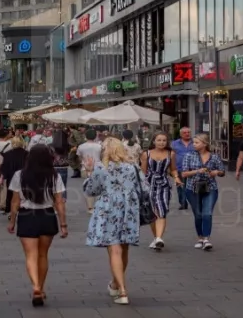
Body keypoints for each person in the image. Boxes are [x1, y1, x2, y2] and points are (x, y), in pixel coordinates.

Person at [83, 138, 149, 305]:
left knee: (114, 250)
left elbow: (91, 191)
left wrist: (90, 172)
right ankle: (115, 284)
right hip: (129, 209)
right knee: (124, 248)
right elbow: (145, 188)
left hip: (109, 209)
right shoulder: (133, 166)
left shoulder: (101, 167)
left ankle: (122, 290)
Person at [7, 144, 68, 307]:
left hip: (27, 216)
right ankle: (41, 287)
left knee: (30, 255)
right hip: (47, 216)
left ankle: (35, 287)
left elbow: (15, 202)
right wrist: (63, 224)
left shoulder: (19, 175)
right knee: (43, 255)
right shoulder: (54, 176)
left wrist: (12, 221)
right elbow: (59, 202)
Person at [181, 133, 225, 251]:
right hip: (192, 188)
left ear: (204, 144)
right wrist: (197, 171)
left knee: (207, 213)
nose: (193, 144)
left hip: (210, 187)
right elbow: (184, 173)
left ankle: (206, 239)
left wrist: (216, 172)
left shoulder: (214, 157)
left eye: (196, 142)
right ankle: (200, 237)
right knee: (198, 214)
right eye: (193, 142)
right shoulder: (189, 155)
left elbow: (222, 171)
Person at [140, 132, 182, 250]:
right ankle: (156, 238)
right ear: (154, 141)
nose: (161, 142)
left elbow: (173, 169)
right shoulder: (146, 154)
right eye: (159, 140)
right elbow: (143, 172)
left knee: (161, 211)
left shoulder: (171, 154)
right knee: (152, 213)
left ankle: (159, 238)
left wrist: (176, 178)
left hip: (163, 184)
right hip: (148, 185)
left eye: (164, 140)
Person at [1, 136, 29, 217]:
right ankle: (22, 209)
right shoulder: (27, 153)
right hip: (24, 176)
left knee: (10, 194)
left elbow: (4, 167)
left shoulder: (7, 154)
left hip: (11, 177)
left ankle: (11, 211)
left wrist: (3, 177)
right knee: (23, 194)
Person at [76, 129, 102, 214]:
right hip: (98, 168)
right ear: (95, 136)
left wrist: (84, 162)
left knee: (88, 186)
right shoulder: (99, 146)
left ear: (85, 136)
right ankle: (98, 206)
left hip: (85, 168)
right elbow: (101, 157)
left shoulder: (81, 146)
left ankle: (90, 207)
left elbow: (79, 157)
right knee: (99, 186)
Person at [171, 127, 194, 210]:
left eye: (188, 132)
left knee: (192, 186)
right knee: (180, 187)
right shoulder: (174, 144)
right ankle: (183, 203)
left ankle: (194, 202)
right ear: (181, 134)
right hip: (179, 168)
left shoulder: (195, 142)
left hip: (193, 168)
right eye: (184, 132)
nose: (187, 134)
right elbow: (170, 155)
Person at [50, 129, 71, 199]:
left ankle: (55, 200)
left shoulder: (51, 146)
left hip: (54, 167)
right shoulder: (67, 146)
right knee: (63, 186)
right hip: (64, 167)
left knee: (54, 185)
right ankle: (63, 200)